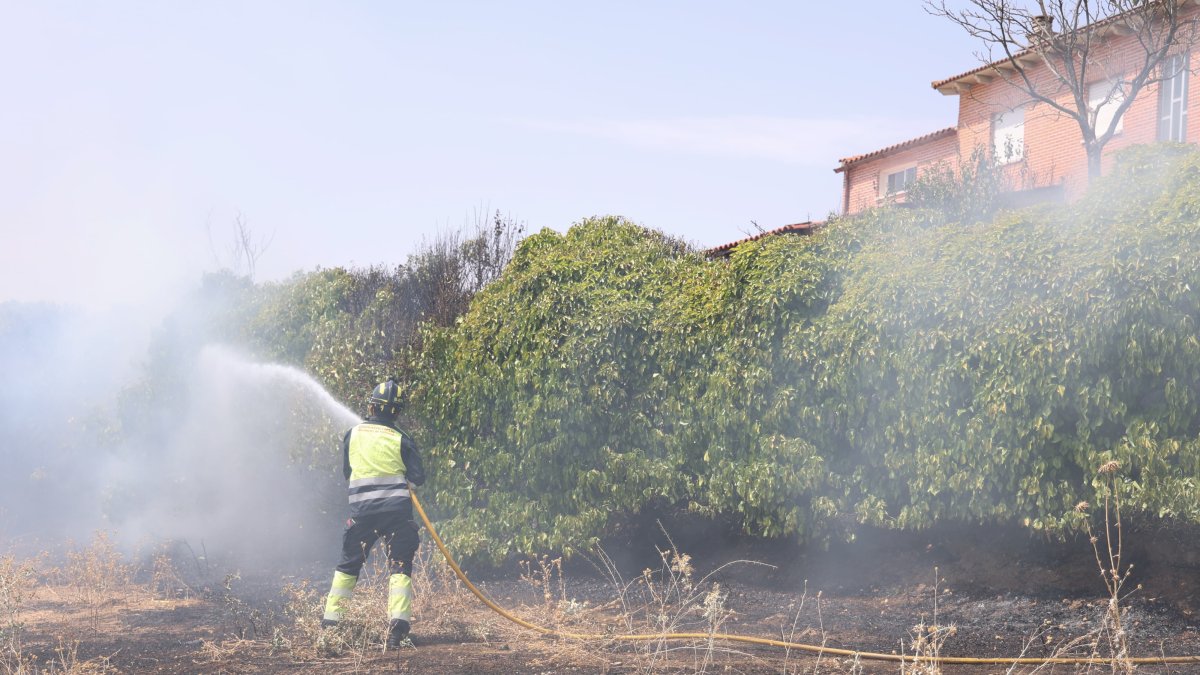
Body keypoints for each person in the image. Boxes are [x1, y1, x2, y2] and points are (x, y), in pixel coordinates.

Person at [321, 379, 426, 649]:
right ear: (397, 412)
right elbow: (418, 477)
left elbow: (348, 472)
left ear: (371, 406)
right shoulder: (402, 439)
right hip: (397, 515)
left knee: (348, 567)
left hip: (362, 515)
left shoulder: (352, 434)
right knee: (400, 568)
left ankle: (330, 628)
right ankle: (397, 633)